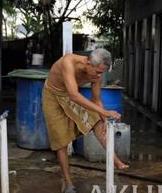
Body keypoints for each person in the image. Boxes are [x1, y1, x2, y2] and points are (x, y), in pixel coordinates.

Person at [42, 48, 129, 193]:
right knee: (61, 141)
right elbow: (74, 95)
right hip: (53, 95)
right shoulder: (68, 62)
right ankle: (69, 184)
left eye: (102, 72)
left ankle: (115, 161)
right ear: (88, 63)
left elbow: (96, 100)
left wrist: (104, 118)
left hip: (71, 96)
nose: (99, 75)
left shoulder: (96, 74)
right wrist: (104, 112)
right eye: (98, 72)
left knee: (98, 123)